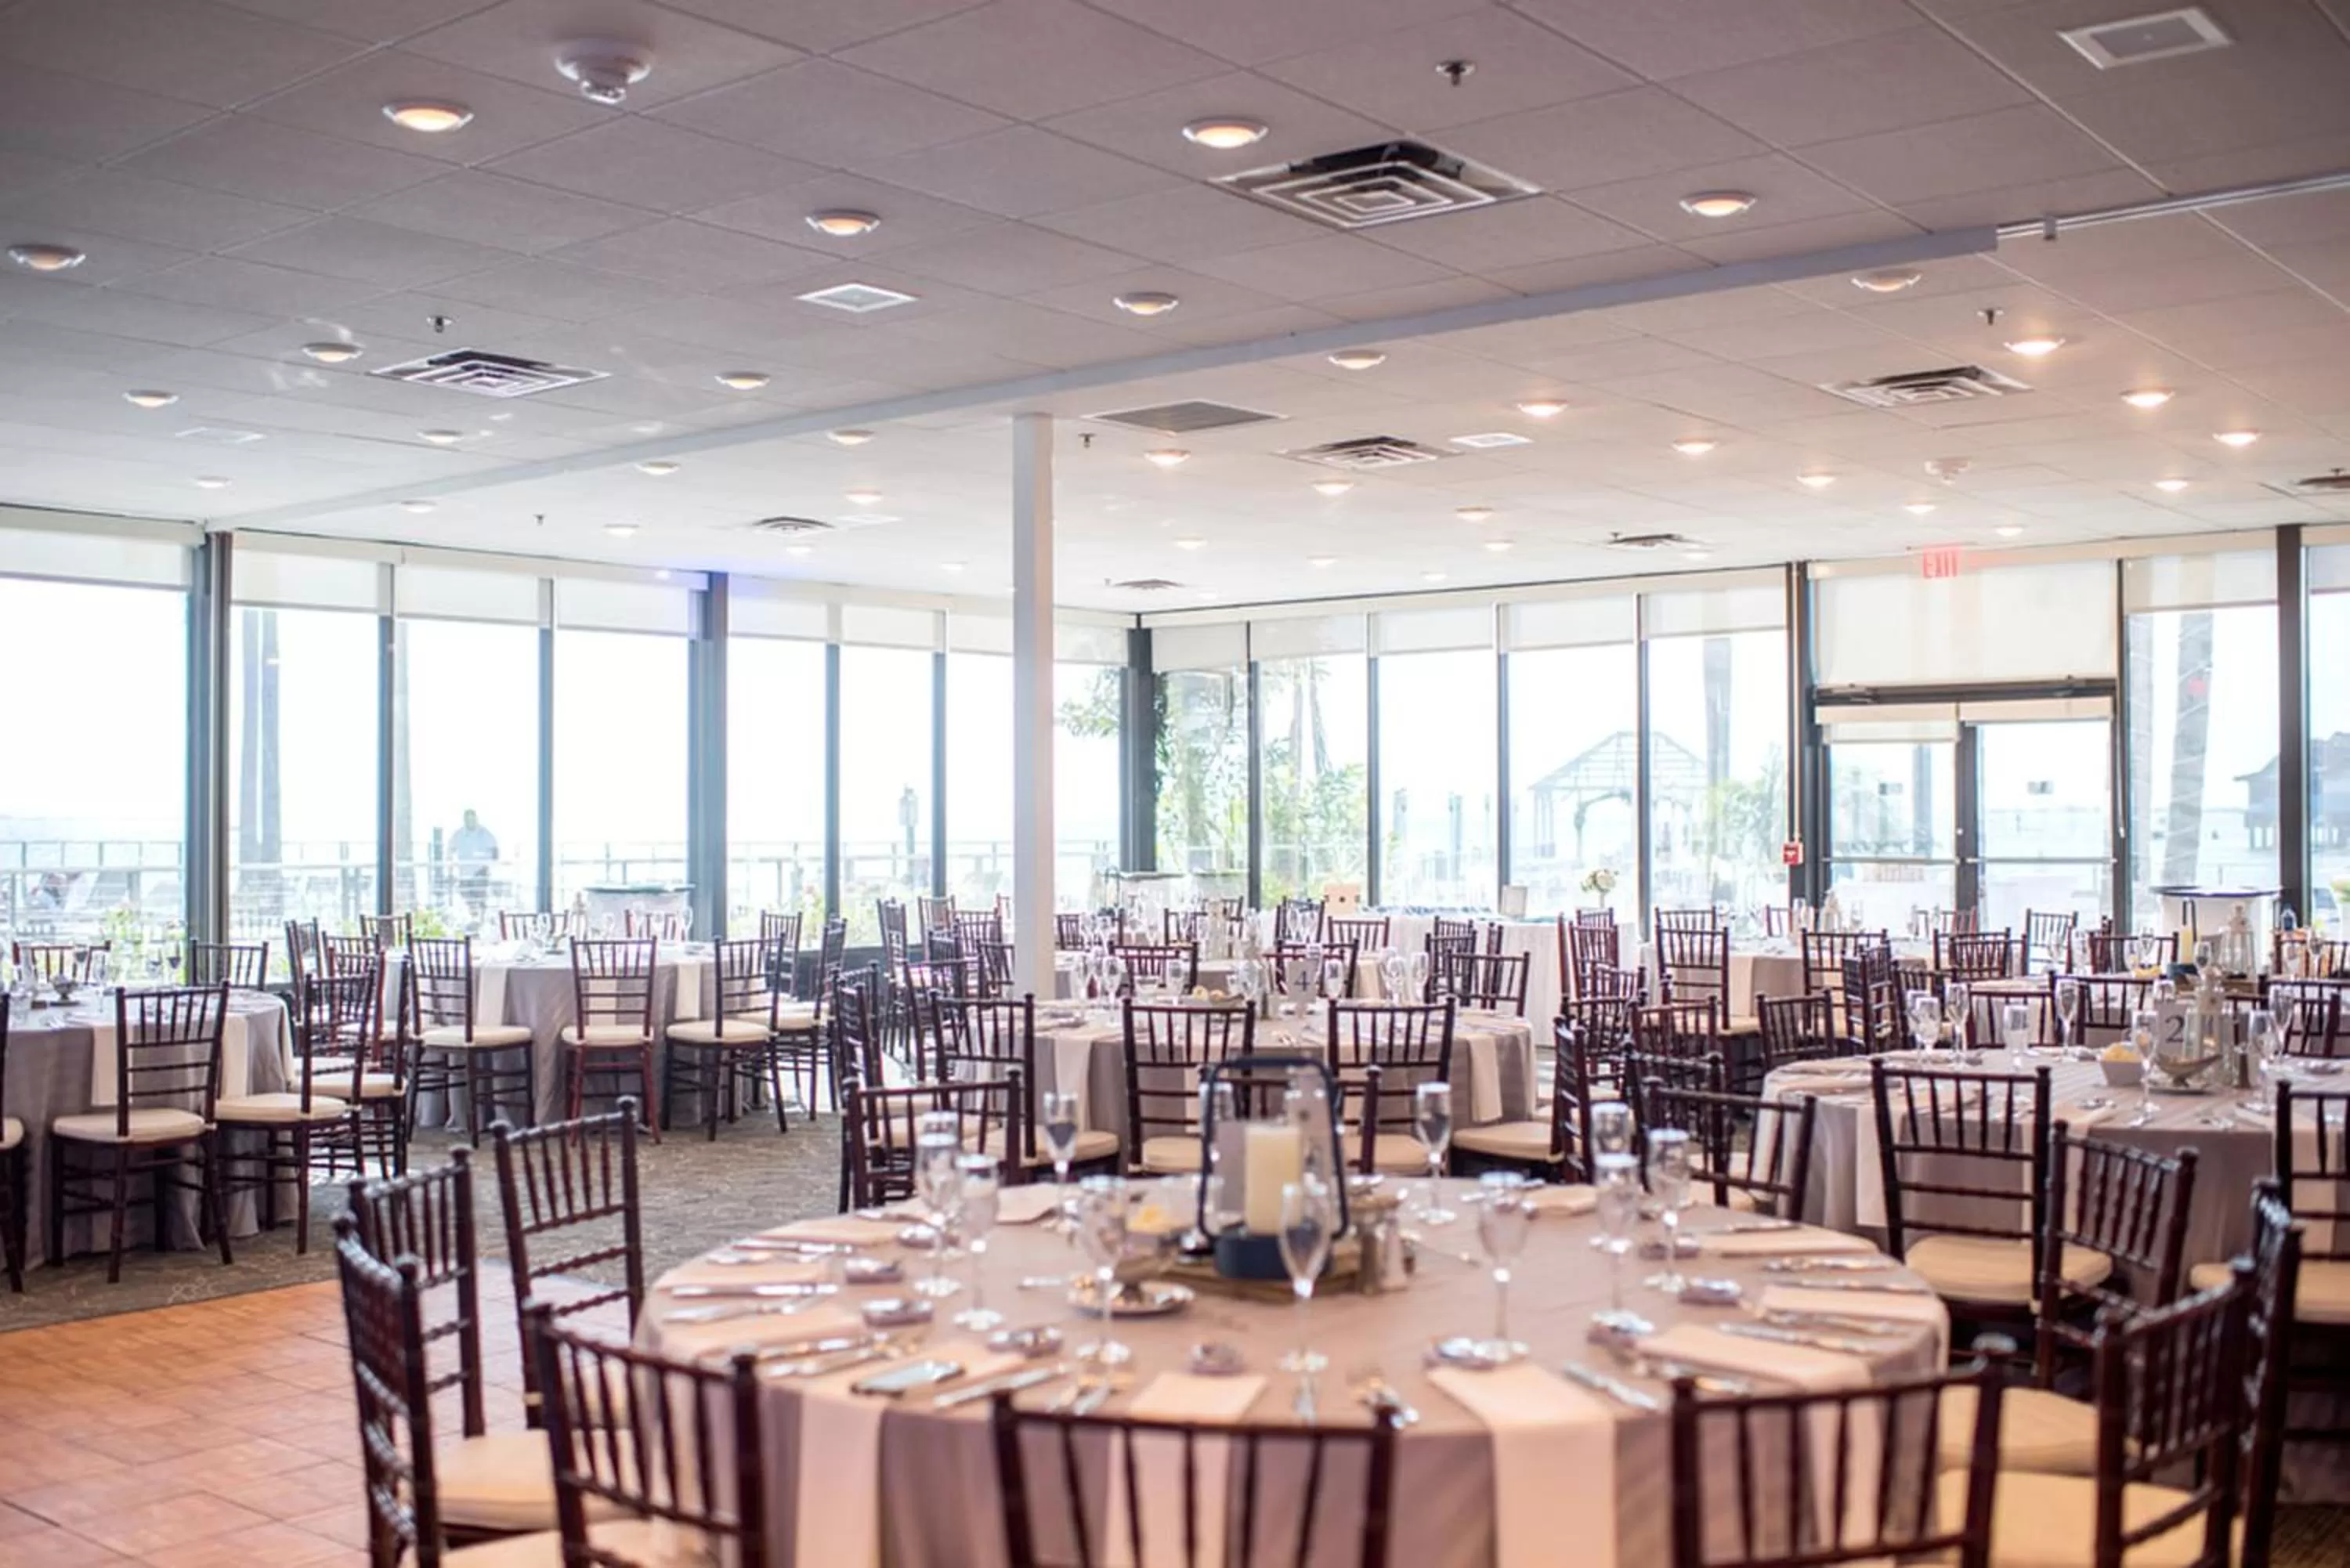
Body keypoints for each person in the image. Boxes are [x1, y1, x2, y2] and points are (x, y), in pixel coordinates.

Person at [450, 808, 497, 912]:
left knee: (480, 895)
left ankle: (481, 916)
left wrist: (490, 863)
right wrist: (451, 868)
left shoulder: (484, 833)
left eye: (472, 819)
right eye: (468, 819)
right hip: (464, 871)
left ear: (476, 819)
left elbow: (495, 849)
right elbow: (450, 850)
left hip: (480, 870)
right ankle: (474, 913)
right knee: (464, 892)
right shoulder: (459, 834)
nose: (470, 822)